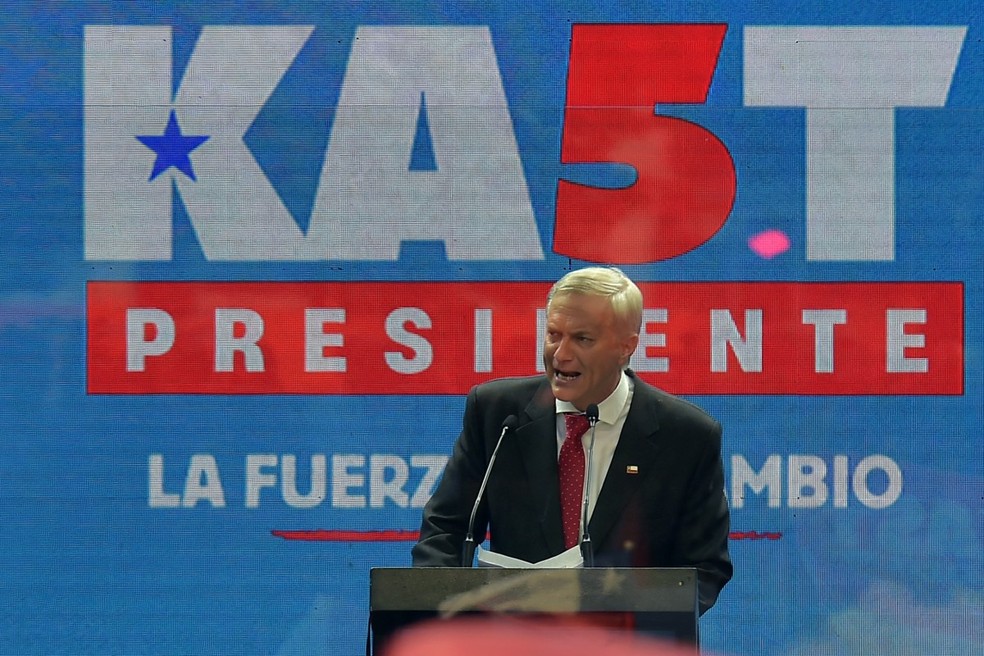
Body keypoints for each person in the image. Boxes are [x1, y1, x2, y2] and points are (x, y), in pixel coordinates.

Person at [412, 266, 732, 614]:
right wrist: (440, 608)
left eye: (582, 339)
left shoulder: (685, 436)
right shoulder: (497, 414)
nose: (561, 354)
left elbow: (704, 569)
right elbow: (445, 529)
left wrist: (622, 616)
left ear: (626, 346)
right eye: (553, 335)